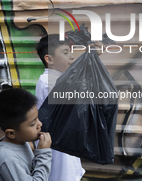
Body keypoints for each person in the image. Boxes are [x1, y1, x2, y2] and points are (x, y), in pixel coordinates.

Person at [35, 34, 84, 181]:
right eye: (65, 52)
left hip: (64, 149)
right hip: (60, 153)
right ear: (49, 59)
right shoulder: (50, 82)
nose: (71, 56)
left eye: (70, 51)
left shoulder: (56, 79)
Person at [0, 88, 52, 181]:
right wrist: (44, 153)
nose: (40, 124)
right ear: (11, 133)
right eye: (33, 124)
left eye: (37, 118)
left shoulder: (19, 142)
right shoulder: (8, 159)